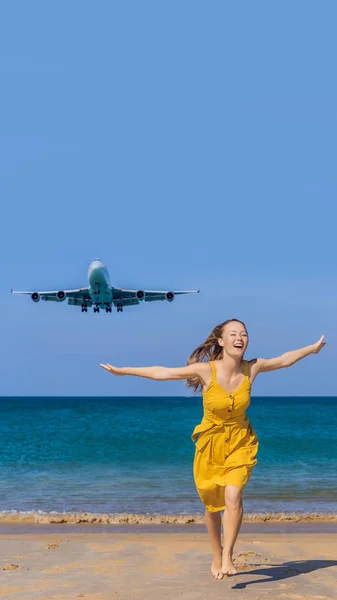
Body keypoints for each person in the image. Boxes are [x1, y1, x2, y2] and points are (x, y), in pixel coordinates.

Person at [100, 319, 325, 580]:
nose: (240, 338)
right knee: (212, 506)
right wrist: (123, 371)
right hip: (210, 445)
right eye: (233, 334)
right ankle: (216, 554)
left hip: (241, 442)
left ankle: (228, 554)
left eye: (244, 334)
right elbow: (163, 372)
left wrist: (312, 348)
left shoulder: (252, 368)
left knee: (233, 495)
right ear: (221, 341)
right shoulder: (205, 371)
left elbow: (284, 359)